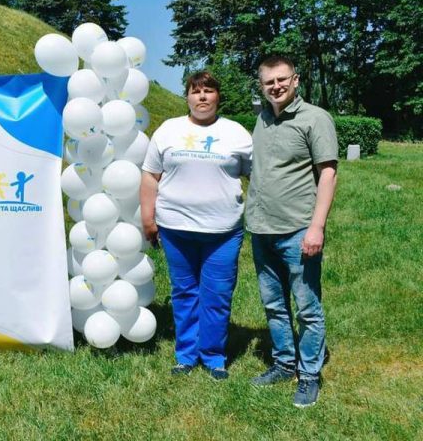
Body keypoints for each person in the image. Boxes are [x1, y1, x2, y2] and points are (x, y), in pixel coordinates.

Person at [140, 71, 252, 380]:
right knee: (185, 292)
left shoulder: (237, 133)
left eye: (209, 91)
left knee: (217, 295)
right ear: (187, 96)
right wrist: (148, 218)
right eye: (195, 91)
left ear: (218, 97)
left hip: (223, 232)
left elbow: (256, 176)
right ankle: (186, 355)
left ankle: (214, 357)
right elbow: (150, 176)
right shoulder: (168, 130)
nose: (202, 96)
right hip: (176, 228)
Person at [246, 55, 338, 408]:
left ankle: (309, 374)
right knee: (273, 305)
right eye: (269, 82)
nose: (276, 87)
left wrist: (317, 227)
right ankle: (284, 364)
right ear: (261, 86)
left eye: (282, 79)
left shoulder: (315, 118)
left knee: (307, 308)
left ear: (295, 80)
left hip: (298, 229)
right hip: (261, 229)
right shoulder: (262, 119)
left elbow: (327, 174)